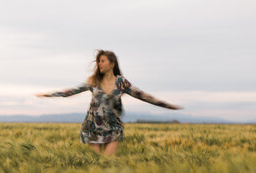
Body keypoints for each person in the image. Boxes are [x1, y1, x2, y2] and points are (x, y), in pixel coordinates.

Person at [35, 50, 182, 156]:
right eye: (98, 61)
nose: (99, 64)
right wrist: (49, 94)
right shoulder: (94, 81)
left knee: (107, 164)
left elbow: (143, 96)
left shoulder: (121, 83)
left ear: (112, 64)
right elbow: (70, 92)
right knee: (96, 165)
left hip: (113, 128)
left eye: (102, 61)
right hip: (92, 127)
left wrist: (168, 105)